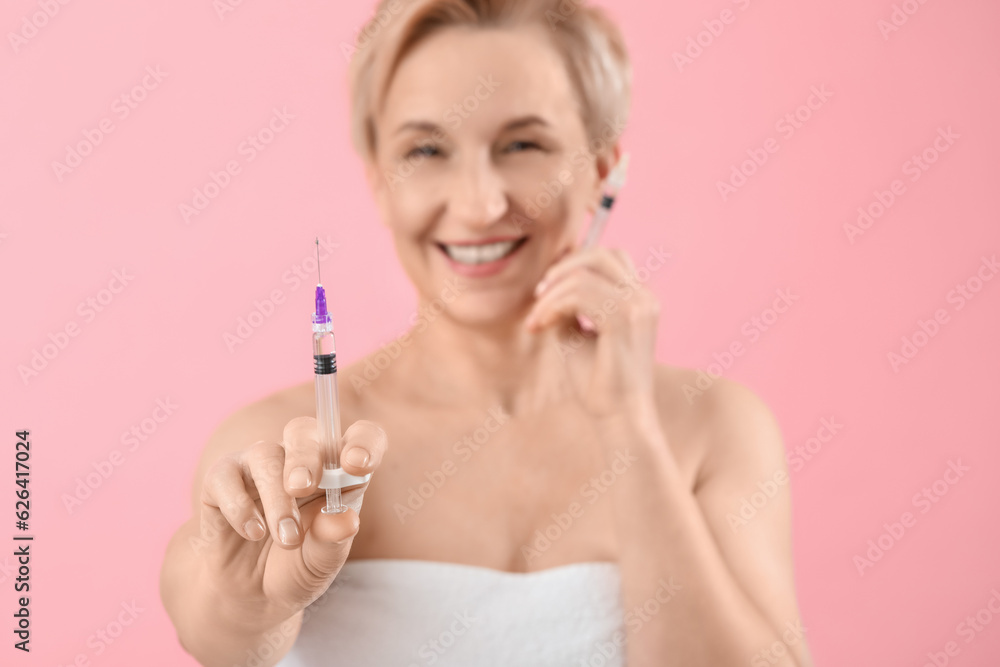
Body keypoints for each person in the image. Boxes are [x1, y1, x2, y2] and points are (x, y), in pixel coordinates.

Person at [160, 1, 812, 665]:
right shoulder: (291, 442)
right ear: (380, 181)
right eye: (426, 149)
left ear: (603, 169)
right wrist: (248, 597)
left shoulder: (711, 429)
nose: (479, 204)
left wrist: (630, 427)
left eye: (523, 144)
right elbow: (212, 623)